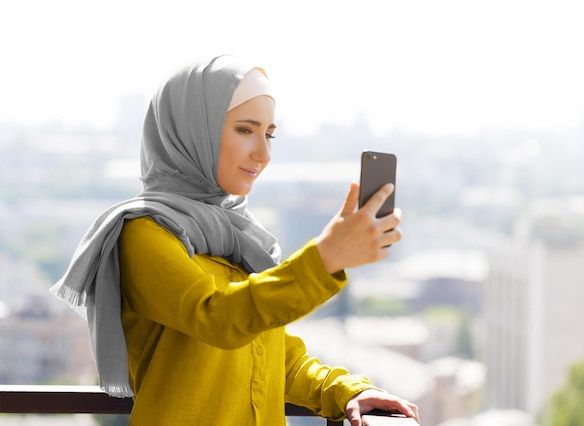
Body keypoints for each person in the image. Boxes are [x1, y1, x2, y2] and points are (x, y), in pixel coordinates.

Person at [51, 55, 420, 425]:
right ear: (194, 131)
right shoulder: (143, 233)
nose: (264, 154)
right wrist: (325, 258)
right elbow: (219, 318)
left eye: (269, 134)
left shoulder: (239, 237)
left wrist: (348, 390)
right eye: (246, 130)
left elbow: (273, 358)